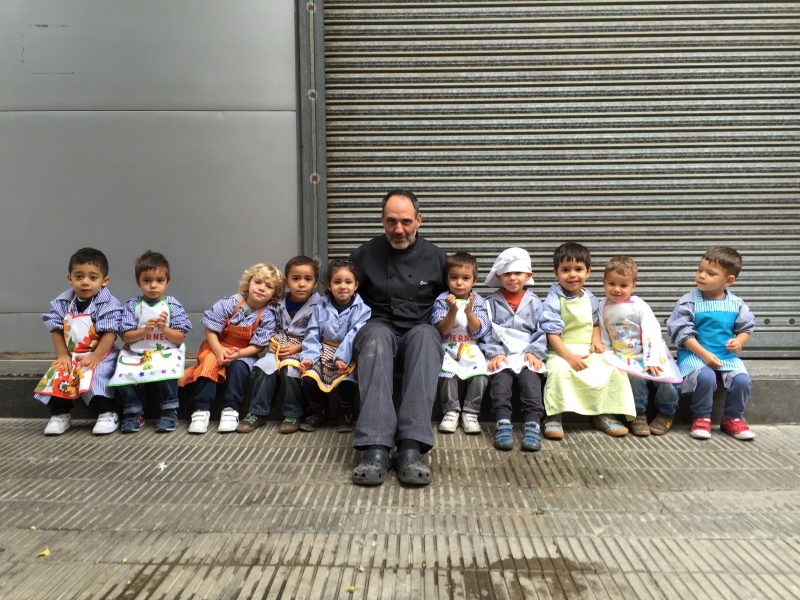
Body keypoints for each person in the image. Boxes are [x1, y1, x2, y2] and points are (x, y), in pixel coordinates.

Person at [349, 188, 447, 486]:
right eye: (391, 221)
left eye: (406, 221)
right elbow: (342, 298)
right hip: (379, 324)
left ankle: (411, 446)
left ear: (419, 220)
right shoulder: (364, 254)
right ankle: (375, 446)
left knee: (427, 338)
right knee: (374, 338)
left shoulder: (437, 257)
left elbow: (452, 302)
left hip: (419, 328)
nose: (399, 229)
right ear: (382, 221)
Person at [540, 242, 635, 439]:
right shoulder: (553, 299)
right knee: (558, 372)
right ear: (556, 272)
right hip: (561, 350)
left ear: (588, 272)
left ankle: (604, 413)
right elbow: (552, 334)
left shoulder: (590, 298)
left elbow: (595, 323)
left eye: (578, 269)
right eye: (565, 270)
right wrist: (569, 357)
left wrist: (596, 341)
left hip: (587, 349)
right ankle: (553, 416)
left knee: (614, 370)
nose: (572, 275)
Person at [179, 263, 282, 434]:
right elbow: (210, 330)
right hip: (216, 346)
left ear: (274, 294)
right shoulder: (229, 304)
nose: (262, 288)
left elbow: (258, 346)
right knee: (209, 365)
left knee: (239, 368)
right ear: (248, 283)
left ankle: (230, 409)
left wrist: (239, 354)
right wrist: (218, 350)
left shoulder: (268, 316)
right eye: (257, 282)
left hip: (244, 352)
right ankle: (201, 410)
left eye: (269, 286)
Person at [667, 247, 756, 440]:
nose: (701, 275)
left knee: (742, 380)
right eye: (700, 270)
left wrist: (739, 342)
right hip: (694, 354)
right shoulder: (688, 302)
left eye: (710, 273)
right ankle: (702, 417)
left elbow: (745, 328)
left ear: (728, 281)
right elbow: (682, 333)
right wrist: (704, 355)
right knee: (706, 377)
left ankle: (732, 418)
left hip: (725, 356)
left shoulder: (737, 304)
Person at [34, 247, 122, 435]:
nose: (85, 282)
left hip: (101, 354)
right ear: (70, 278)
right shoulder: (63, 302)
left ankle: (107, 413)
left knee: (95, 378)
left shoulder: (108, 304)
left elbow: (110, 333)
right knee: (59, 374)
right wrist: (63, 355)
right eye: (79, 276)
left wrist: (96, 357)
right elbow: (56, 329)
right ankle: (60, 414)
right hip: (72, 355)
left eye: (93, 277)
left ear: (104, 280)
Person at [108, 251, 192, 433]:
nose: (153, 286)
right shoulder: (132, 305)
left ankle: (169, 411)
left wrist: (164, 329)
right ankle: (133, 411)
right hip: (136, 352)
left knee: (168, 372)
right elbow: (126, 336)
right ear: (138, 282)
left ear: (167, 282)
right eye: (147, 280)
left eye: (159, 280)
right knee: (123, 372)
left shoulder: (172, 305)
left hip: (165, 351)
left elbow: (180, 337)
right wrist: (144, 331)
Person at [598, 256, 682, 437]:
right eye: (611, 284)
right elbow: (604, 332)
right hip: (625, 355)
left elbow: (652, 331)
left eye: (623, 285)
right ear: (603, 282)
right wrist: (607, 354)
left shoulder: (639, 305)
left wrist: (651, 359)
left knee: (664, 378)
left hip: (650, 351)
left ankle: (666, 412)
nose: (617, 289)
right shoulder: (602, 306)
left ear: (633, 286)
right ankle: (637, 413)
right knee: (633, 379)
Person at [239, 256, 323, 434]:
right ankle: (257, 412)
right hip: (281, 345)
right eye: (296, 278)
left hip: (305, 347)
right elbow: (270, 325)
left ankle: (293, 414)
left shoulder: (321, 305)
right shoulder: (277, 304)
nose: (301, 284)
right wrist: (271, 340)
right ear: (286, 282)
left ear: (315, 283)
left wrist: (300, 347)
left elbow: (321, 334)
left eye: (308, 279)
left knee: (290, 370)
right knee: (264, 367)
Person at [478, 248, 547, 451]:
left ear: (528, 275)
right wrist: (495, 352)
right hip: (502, 352)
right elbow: (486, 330)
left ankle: (533, 424)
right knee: (500, 382)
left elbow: (542, 330)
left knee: (530, 383)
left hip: (527, 352)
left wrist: (535, 352)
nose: (513, 278)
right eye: (507, 273)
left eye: (518, 273)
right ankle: (502, 423)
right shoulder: (490, 303)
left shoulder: (536, 303)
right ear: (499, 276)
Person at [298, 259, 371, 432]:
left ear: (356, 285)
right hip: (322, 350)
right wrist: (309, 357)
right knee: (308, 379)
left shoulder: (363, 310)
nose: (342, 286)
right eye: (337, 282)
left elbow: (353, 335)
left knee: (347, 381)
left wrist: (341, 358)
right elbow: (312, 332)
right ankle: (318, 412)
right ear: (329, 285)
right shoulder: (320, 307)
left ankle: (344, 413)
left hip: (348, 352)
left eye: (348, 282)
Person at [430, 252, 491, 435]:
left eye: (465, 278)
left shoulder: (478, 301)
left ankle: (471, 412)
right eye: (454, 277)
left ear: (474, 281)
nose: (459, 283)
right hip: (449, 347)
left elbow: (478, 330)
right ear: (447, 279)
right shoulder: (442, 300)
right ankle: (450, 411)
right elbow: (443, 330)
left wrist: (469, 312)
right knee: (447, 375)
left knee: (481, 376)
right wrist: (452, 310)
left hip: (470, 347)